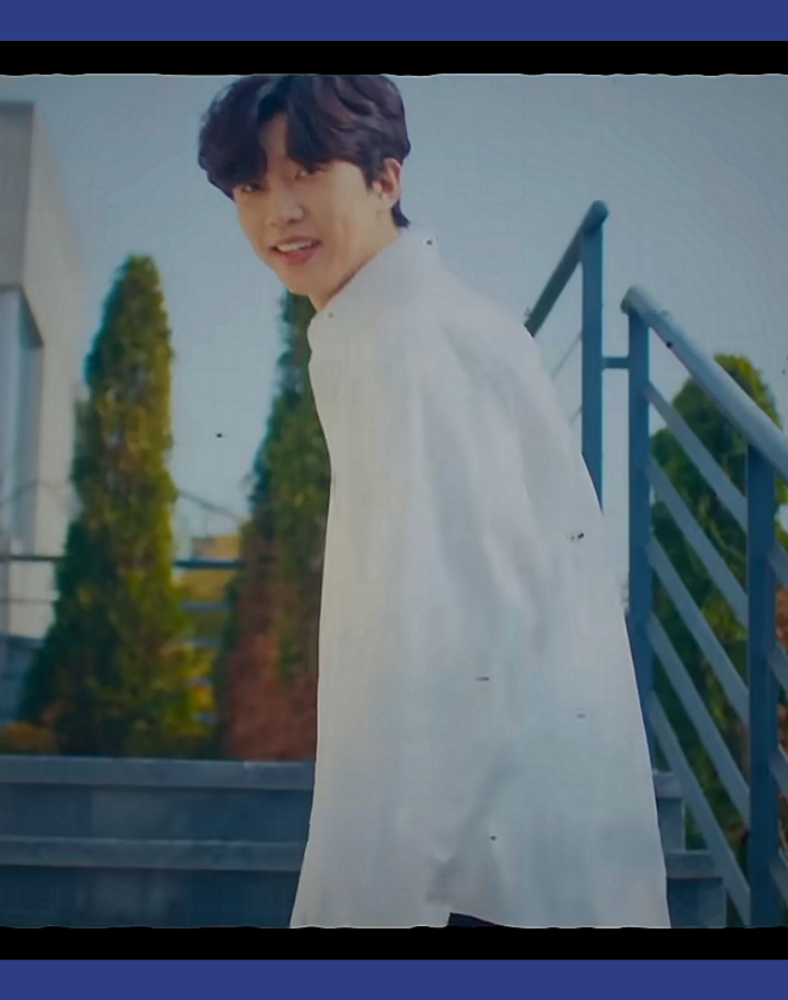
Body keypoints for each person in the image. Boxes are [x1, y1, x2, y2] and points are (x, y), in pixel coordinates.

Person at [197, 75, 671, 929]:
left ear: (387, 178)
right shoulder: (415, 322)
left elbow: (428, 647)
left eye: (307, 172)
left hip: (479, 871)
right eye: (252, 187)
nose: (279, 213)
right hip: (522, 851)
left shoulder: (401, 343)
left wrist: (375, 896)